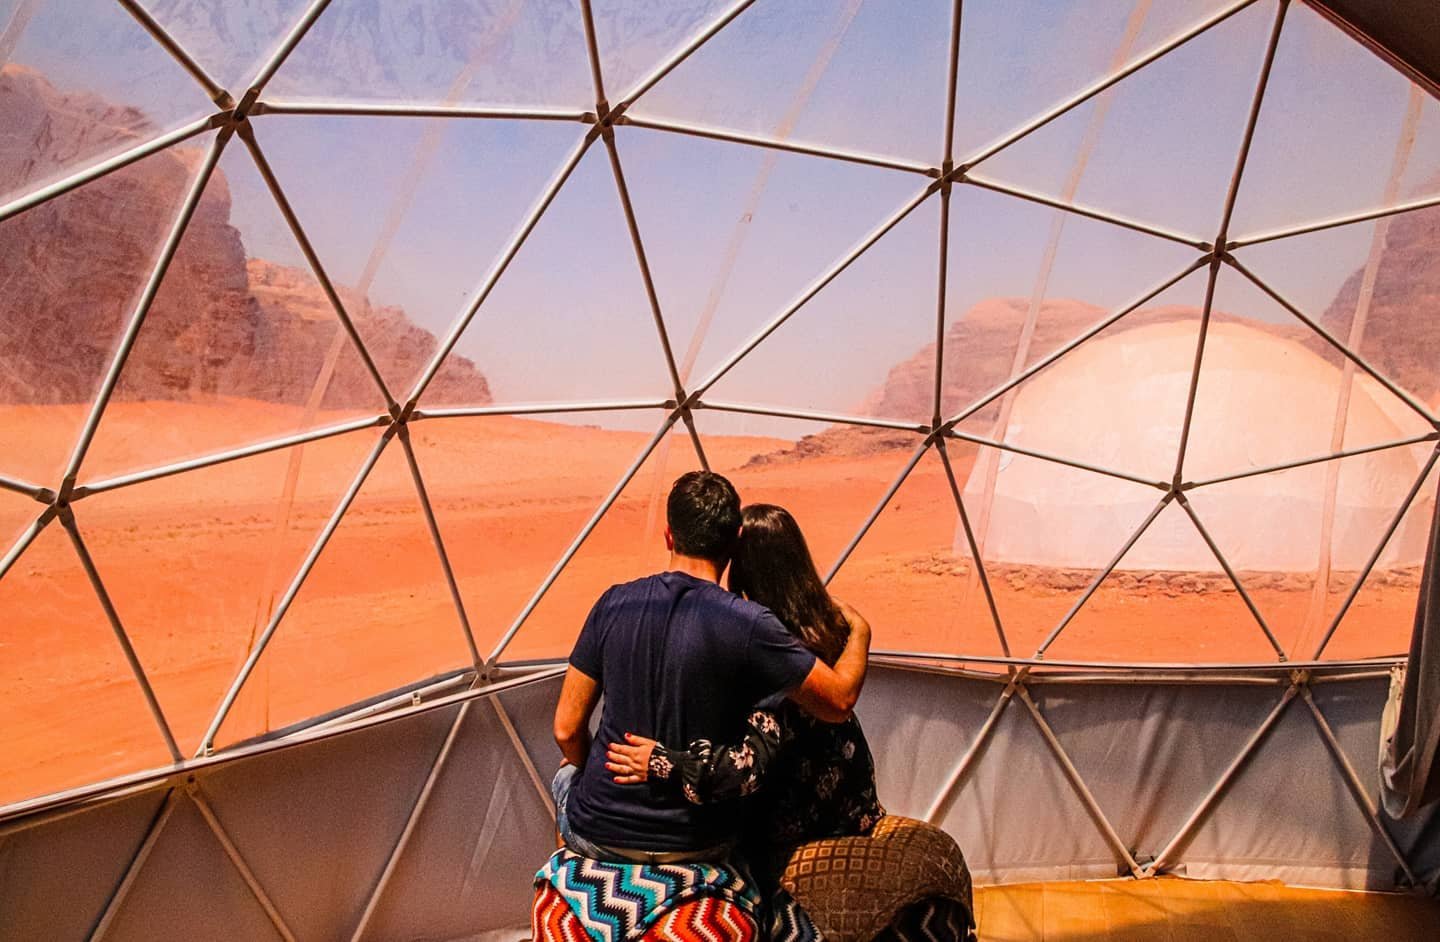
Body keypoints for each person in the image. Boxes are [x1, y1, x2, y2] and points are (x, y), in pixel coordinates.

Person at [605, 504, 975, 940]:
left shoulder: (764, 644)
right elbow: (843, 695)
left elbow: (748, 767)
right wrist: (862, 633)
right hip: (854, 808)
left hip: (797, 822)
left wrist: (662, 761)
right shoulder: (832, 622)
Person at [550, 473, 872, 865]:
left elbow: (566, 729)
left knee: (565, 777)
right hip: (700, 840)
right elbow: (839, 702)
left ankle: (568, 880)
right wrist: (860, 632)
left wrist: (593, 767)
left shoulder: (612, 603)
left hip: (599, 832)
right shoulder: (751, 624)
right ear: (736, 539)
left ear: (669, 536)